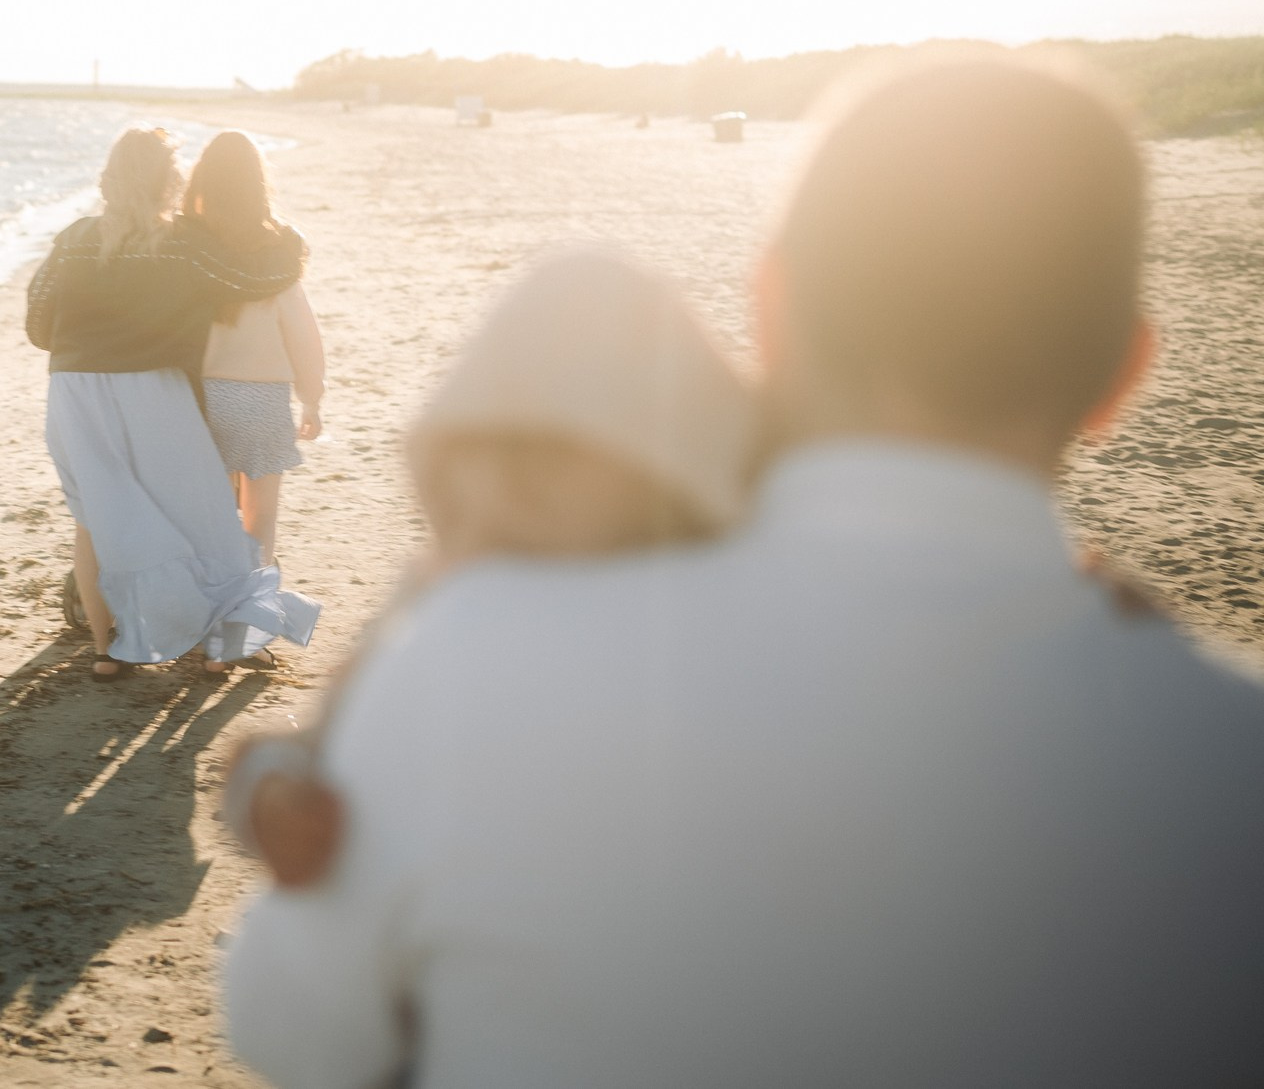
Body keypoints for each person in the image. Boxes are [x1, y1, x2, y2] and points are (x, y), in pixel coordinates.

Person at [220, 55, 1264, 1088]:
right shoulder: (1231, 768)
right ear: (1120, 376)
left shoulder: (474, 649)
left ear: (770, 310)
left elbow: (290, 1035)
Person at [226, 245, 754, 891]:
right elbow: (317, 739)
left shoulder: (702, 600)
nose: (510, 522)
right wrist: (277, 792)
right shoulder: (434, 593)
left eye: (542, 482)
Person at [27, 127, 321, 677]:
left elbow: (38, 322)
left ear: (110, 177)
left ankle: (104, 651)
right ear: (168, 181)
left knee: (95, 518)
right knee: (201, 516)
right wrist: (289, 241)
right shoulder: (179, 244)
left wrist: (83, 345)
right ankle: (225, 635)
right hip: (150, 389)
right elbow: (255, 276)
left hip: (72, 390)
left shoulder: (73, 238)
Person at [186, 132, 328, 565]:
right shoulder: (278, 254)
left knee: (210, 512)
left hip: (200, 397)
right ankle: (251, 608)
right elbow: (302, 333)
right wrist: (312, 398)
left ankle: (211, 593)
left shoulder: (188, 247)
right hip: (262, 401)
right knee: (261, 516)